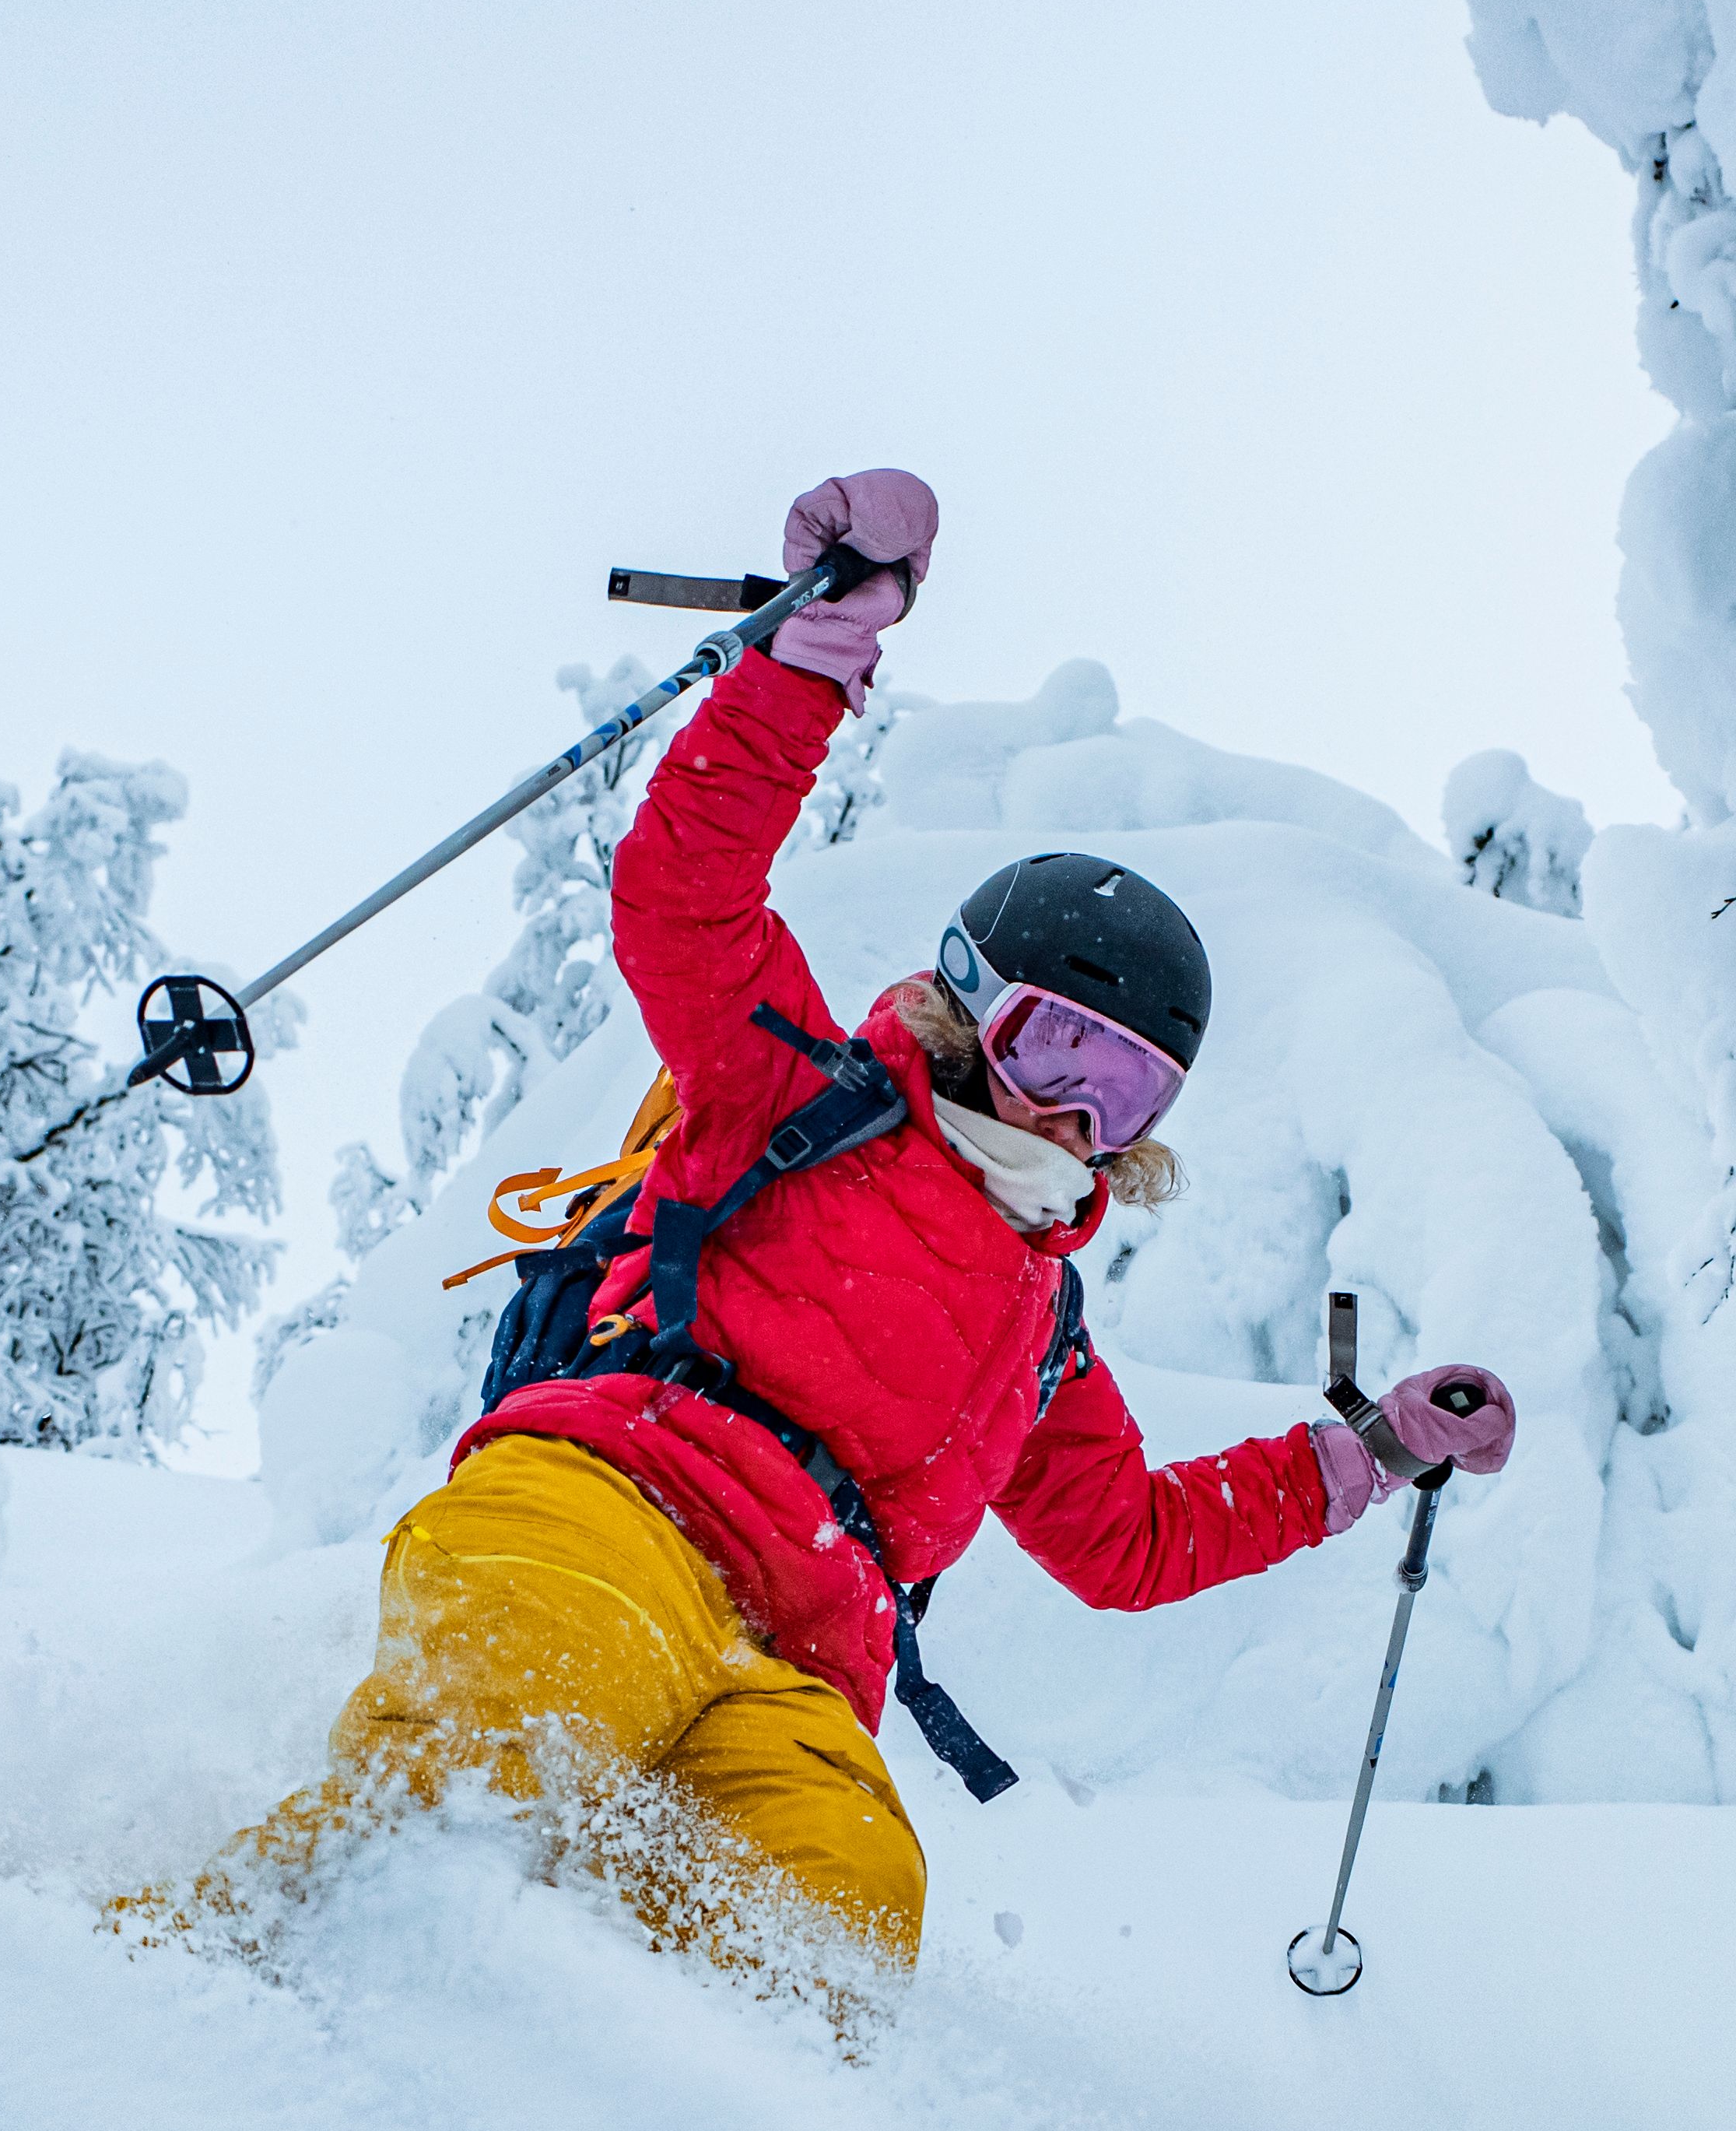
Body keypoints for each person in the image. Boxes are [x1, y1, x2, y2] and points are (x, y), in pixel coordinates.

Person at [153, 465, 1518, 2000]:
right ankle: (188, 2023)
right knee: (501, 1737)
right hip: (609, 1506)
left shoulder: (1035, 1327)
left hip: (795, 1672)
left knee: (833, 1922)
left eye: (1123, 1089)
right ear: (962, 997)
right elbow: (683, 897)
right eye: (1052, 1044)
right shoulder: (802, 1095)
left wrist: (1370, 1451)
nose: (1075, 1110)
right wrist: (811, 662)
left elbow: (1130, 1543)